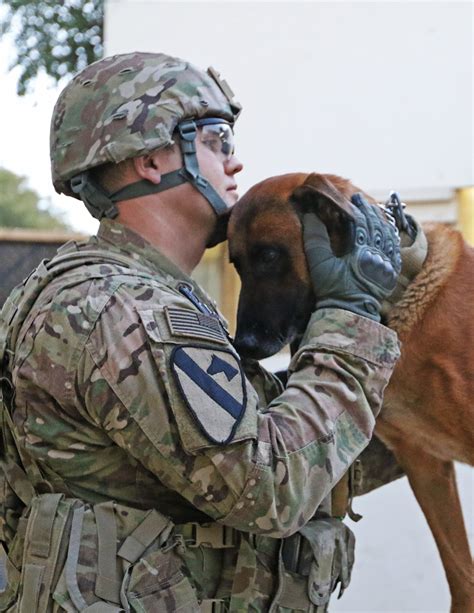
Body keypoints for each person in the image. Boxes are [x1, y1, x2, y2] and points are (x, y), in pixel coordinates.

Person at [0, 52, 401, 612]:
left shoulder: (126, 297)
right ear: (150, 160)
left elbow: (295, 459)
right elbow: (271, 489)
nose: (234, 164)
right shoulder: (126, 311)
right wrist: (352, 319)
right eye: (216, 141)